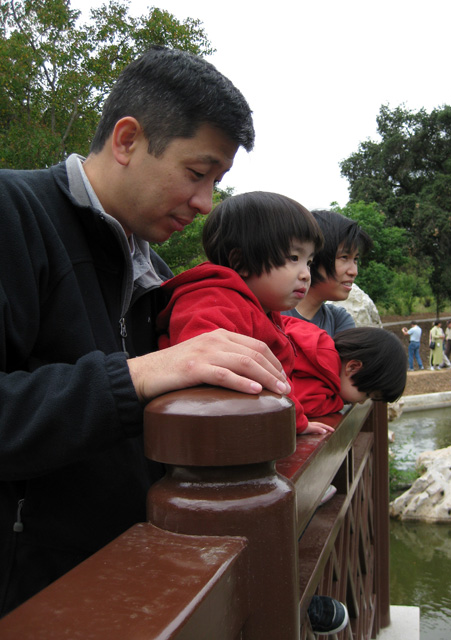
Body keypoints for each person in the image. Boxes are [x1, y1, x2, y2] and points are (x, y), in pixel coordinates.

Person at [0, 47, 293, 617]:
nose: (206, 204)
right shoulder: (14, 215)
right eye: (197, 173)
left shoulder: (152, 271)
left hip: (129, 586)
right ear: (127, 140)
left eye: (218, 181)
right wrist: (142, 374)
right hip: (34, 604)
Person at [157, 192, 407, 434]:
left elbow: (279, 383)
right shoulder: (212, 301)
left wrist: (296, 421)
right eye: (293, 258)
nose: (305, 273)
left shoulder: (265, 312)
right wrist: (295, 421)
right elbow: (203, 370)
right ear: (240, 262)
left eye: (308, 262)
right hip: (204, 438)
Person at [282, 209, 373, 337]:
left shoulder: (338, 320)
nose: (354, 272)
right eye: (344, 257)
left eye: (355, 259)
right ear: (313, 258)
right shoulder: (272, 313)